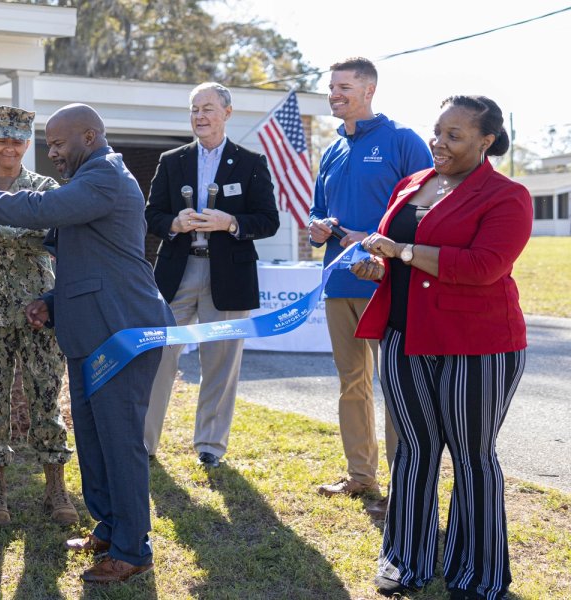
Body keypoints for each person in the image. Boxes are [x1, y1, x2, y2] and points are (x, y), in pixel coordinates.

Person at [0, 103, 174, 584]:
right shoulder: (87, 180)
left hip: (122, 332)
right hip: (90, 328)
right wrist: (52, 301)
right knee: (94, 441)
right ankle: (110, 530)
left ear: (89, 137)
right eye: (47, 144)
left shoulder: (105, 176)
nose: (50, 153)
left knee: (120, 444)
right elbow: (92, 258)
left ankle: (132, 551)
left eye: (57, 143)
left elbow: (43, 209)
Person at [353, 95, 529, 600]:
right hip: (406, 337)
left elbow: (483, 267)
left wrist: (403, 251)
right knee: (414, 450)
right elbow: (392, 255)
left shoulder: (507, 195)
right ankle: (405, 562)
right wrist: (380, 266)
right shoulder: (412, 184)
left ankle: (478, 574)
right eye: (437, 131)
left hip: (478, 345)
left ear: (486, 141)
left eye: (455, 135)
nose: (439, 143)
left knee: (473, 457)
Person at [308, 57, 432, 503]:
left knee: (396, 383)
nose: (334, 94)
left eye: (343, 86)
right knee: (352, 382)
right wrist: (315, 227)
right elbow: (316, 207)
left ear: (369, 90)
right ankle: (361, 475)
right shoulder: (332, 148)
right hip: (338, 282)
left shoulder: (402, 140)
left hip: (387, 282)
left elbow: (427, 210)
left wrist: (379, 237)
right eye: (331, 87)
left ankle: (406, 485)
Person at [143, 82, 279, 468]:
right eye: (194, 109)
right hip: (177, 272)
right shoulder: (172, 161)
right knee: (158, 355)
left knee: (220, 360)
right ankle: (144, 443)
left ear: (227, 113)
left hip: (229, 276)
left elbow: (269, 220)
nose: (200, 116)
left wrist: (230, 221)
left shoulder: (251, 162)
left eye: (208, 109)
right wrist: (175, 222)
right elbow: (152, 215)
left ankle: (210, 447)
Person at [0, 106, 76, 526]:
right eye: (2, 138)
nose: (9, 146)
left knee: (46, 397)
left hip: (37, 309)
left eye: (18, 139)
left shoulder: (43, 188)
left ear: (27, 144)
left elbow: (48, 235)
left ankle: (56, 489)